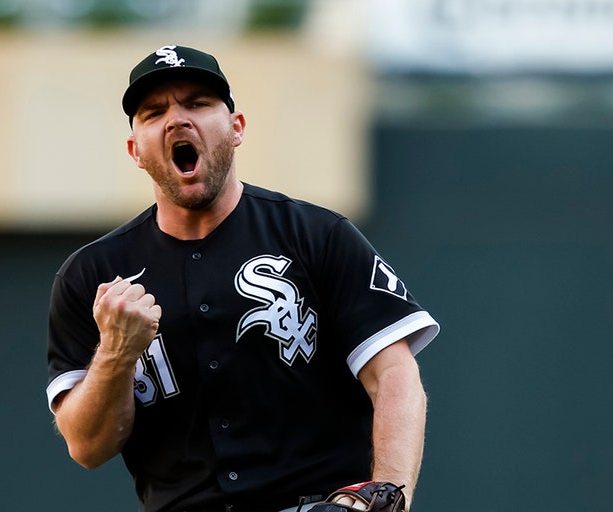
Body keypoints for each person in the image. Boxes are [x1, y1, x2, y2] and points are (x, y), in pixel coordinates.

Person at [46, 45, 439, 512]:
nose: (176, 121)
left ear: (236, 129)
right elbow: (87, 446)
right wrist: (115, 351)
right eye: (154, 112)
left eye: (197, 103)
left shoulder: (317, 235)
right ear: (136, 150)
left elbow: (395, 373)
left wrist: (389, 491)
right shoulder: (92, 277)